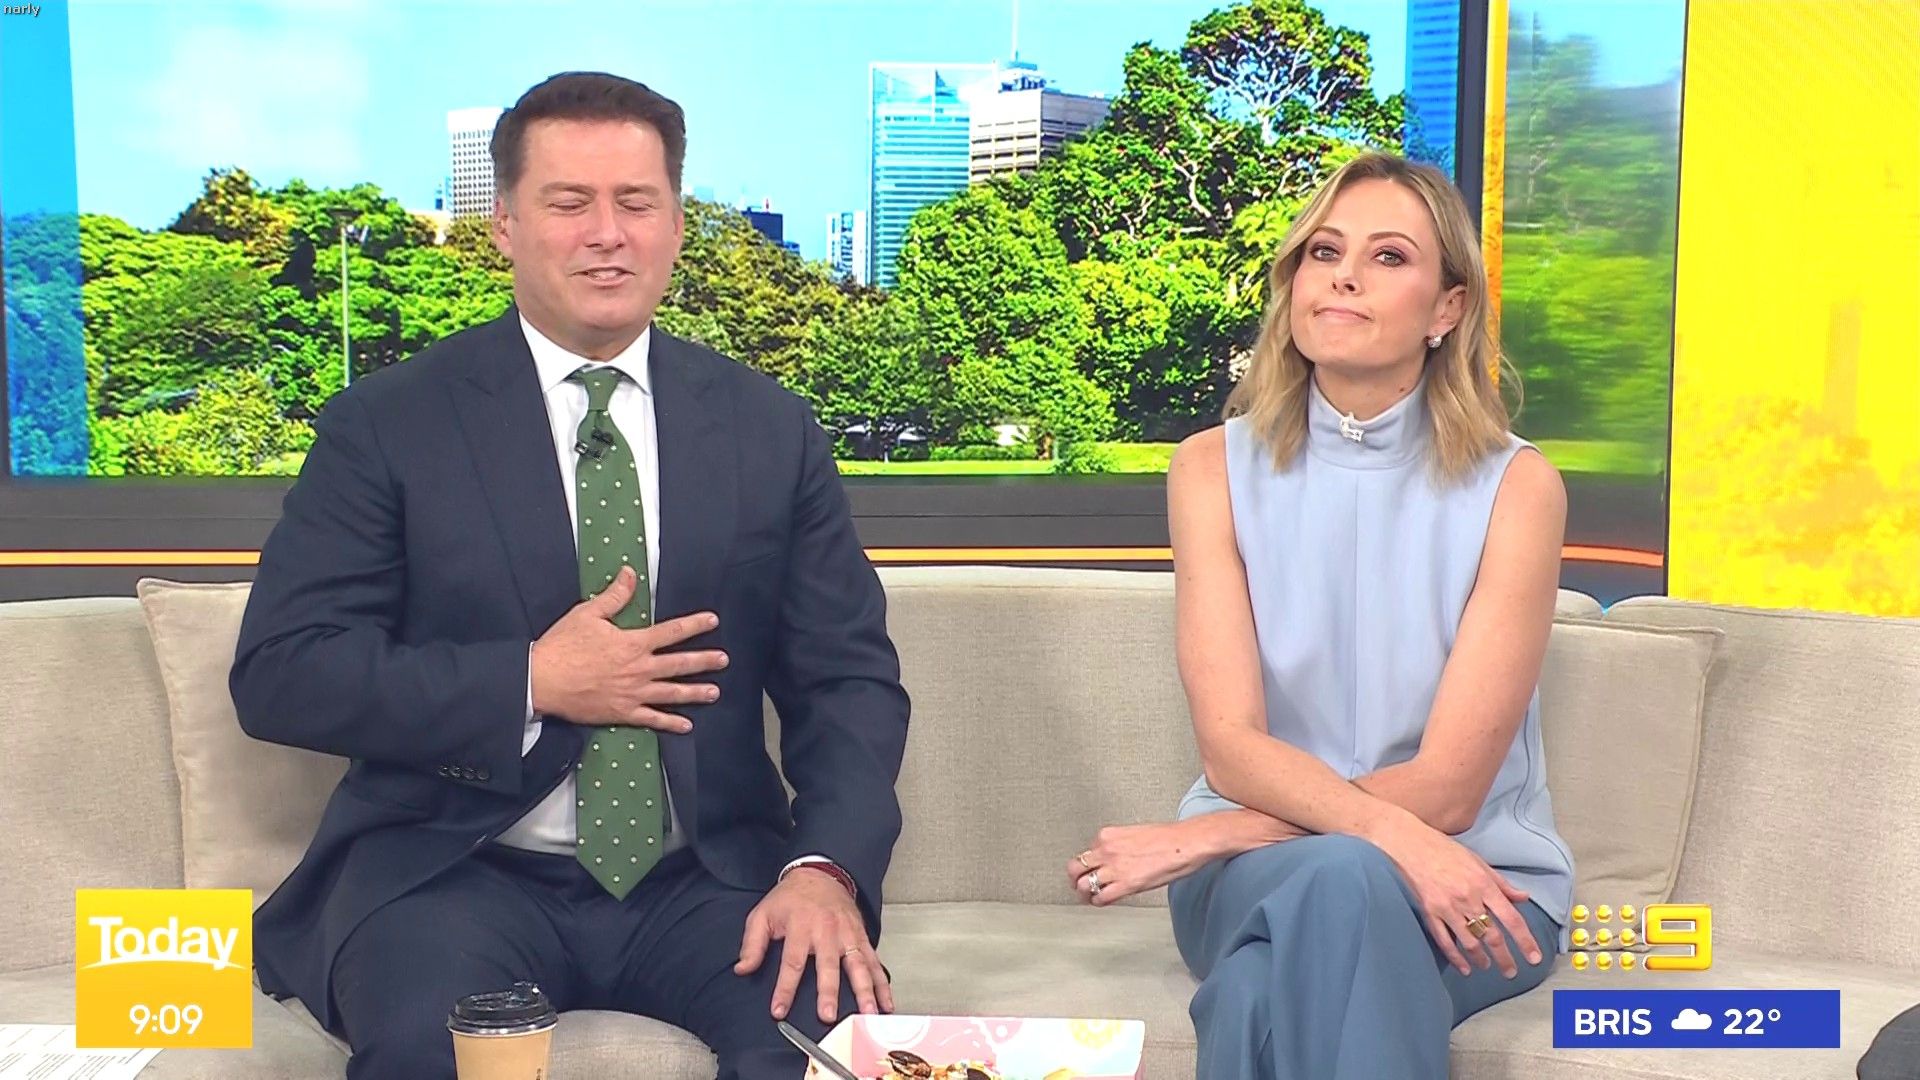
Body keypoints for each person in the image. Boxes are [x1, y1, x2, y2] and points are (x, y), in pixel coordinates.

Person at [229, 71, 910, 1080]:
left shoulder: (769, 428)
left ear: (676, 225)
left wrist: (825, 870)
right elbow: (284, 670)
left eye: (636, 203)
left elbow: (847, 681)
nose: (607, 235)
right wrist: (531, 682)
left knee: (827, 1050)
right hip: (457, 870)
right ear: (504, 225)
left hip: (713, 877)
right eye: (569, 203)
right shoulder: (388, 424)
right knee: (429, 1053)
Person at [1066, 151, 1575, 1079]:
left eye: (1389, 257)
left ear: (1448, 309)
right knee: (1345, 878)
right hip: (1252, 883)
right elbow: (1232, 750)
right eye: (1324, 251)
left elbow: (1451, 792)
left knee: (1258, 993)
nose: (1343, 275)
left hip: (1474, 876)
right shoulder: (1210, 470)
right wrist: (1357, 834)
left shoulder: (1518, 488)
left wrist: (1214, 833)